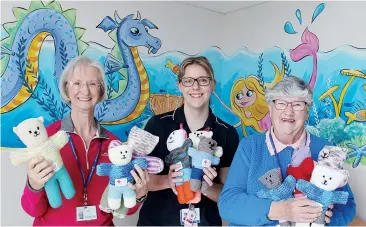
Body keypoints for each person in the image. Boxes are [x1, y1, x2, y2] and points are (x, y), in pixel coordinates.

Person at [21, 56, 149, 226]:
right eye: (77, 83)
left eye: (92, 84)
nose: (85, 91)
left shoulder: (115, 144)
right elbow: (32, 209)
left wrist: (139, 194)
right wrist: (34, 185)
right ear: (67, 88)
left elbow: (123, 209)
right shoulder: (47, 136)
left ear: (101, 90)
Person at [218, 76, 356, 226]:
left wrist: (329, 219)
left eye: (297, 104)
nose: (288, 111)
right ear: (270, 109)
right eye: (281, 103)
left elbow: (347, 204)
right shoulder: (249, 147)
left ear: (307, 111)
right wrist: (280, 210)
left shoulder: (325, 149)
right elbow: (228, 204)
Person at [137, 56, 239, 226]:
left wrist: (205, 187)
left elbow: (228, 194)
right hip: (157, 221)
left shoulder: (227, 133)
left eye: (203, 80)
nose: (196, 87)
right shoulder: (157, 125)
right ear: (179, 85)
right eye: (188, 81)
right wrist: (167, 181)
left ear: (213, 84)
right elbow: (143, 180)